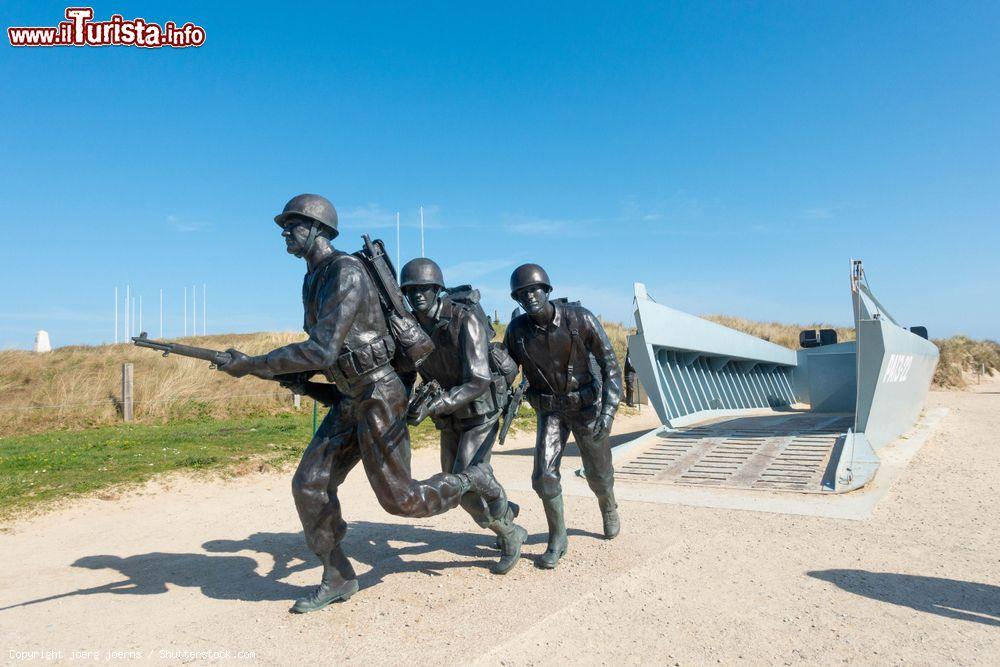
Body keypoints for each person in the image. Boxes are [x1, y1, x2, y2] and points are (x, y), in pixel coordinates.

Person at [218, 194, 507, 613]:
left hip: (379, 394)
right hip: (351, 394)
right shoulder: (311, 278)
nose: (284, 231)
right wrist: (285, 374)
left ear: (318, 229)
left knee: (401, 500)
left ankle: (472, 478)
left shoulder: (345, 273)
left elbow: (320, 349)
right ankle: (337, 575)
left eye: (293, 224)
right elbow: (328, 354)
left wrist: (254, 364)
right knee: (309, 483)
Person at [398, 258, 527, 575]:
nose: (417, 295)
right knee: (457, 481)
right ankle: (504, 510)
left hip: (479, 411)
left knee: (459, 487)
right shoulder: (411, 328)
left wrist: (436, 404)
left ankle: (511, 535)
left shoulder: (463, 320)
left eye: (424, 288)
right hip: (449, 416)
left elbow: (479, 380)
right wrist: (414, 404)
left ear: (437, 289)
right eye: (410, 290)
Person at [503, 263, 623, 569]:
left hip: (585, 407)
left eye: (534, 290)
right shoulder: (517, 332)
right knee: (543, 476)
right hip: (550, 411)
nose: (530, 297)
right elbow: (506, 373)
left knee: (597, 472)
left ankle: (607, 504)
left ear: (546, 290)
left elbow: (610, 365)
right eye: (522, 294)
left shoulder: (579, 318)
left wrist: (608, 411)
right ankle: (558, 537)